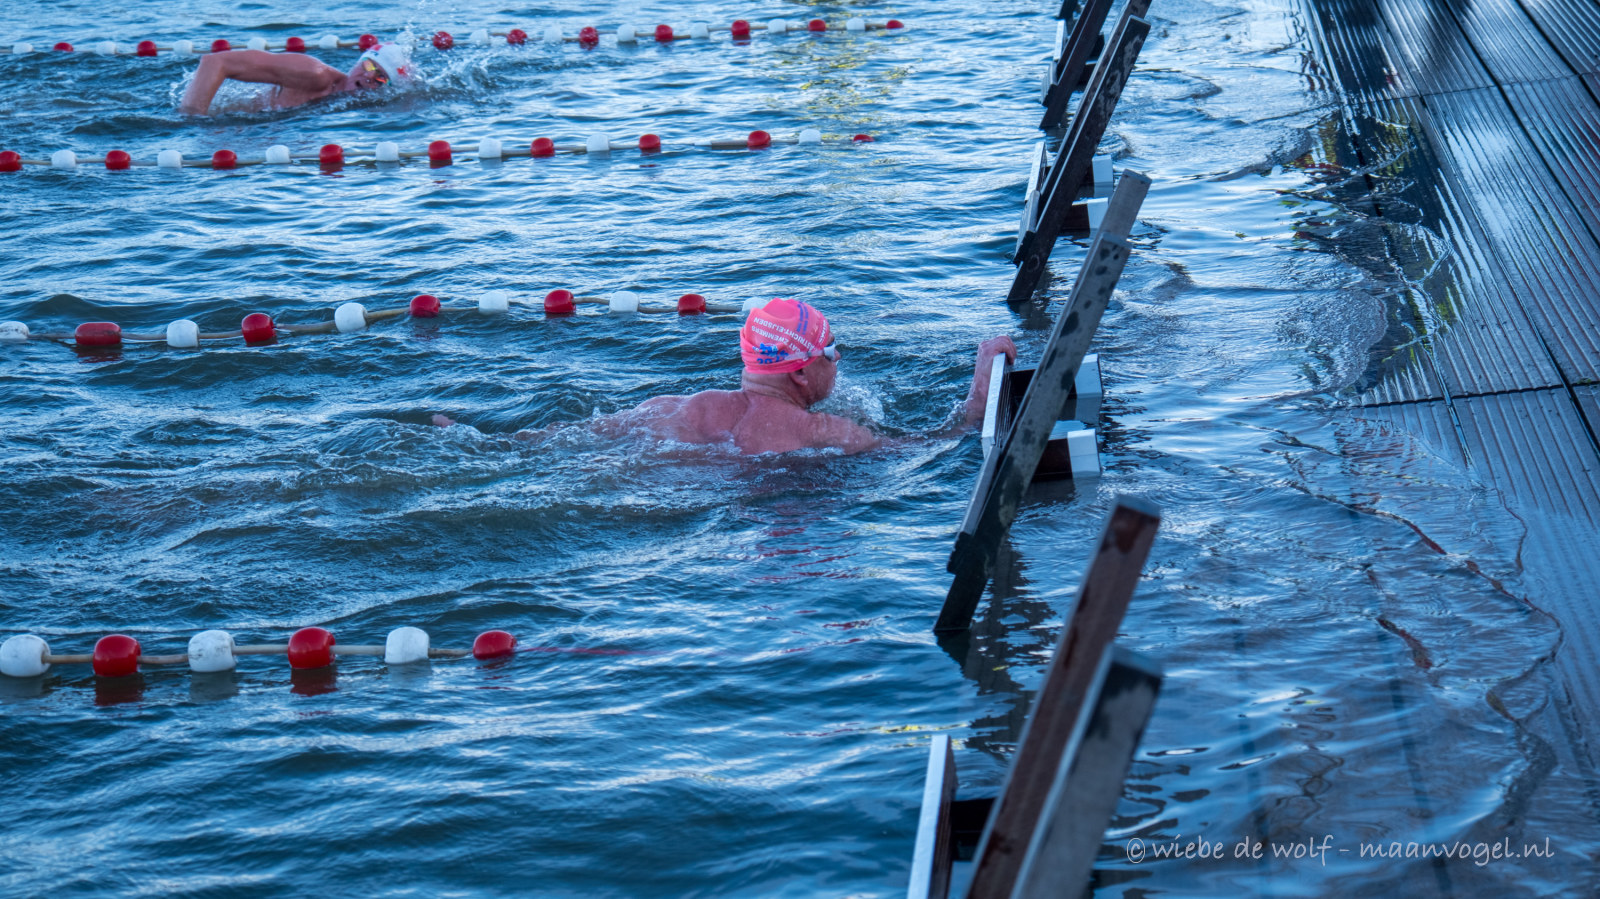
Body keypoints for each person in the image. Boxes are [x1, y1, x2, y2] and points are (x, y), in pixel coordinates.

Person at [436, 298, 1017, 456]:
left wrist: (475, 438)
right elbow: (938, 445)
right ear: (801, 372)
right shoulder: (828, 434)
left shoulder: (675, 406)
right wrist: (980, 385)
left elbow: (553, 439)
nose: (838, 361)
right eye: (830, 351)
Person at [179, 42, 412, 114]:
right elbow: (215, 62)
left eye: (381, 78)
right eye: (369, 65)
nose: (369, 76)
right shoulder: (314, 75)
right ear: (358, 61)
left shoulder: (350, 108)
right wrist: (192, 118)